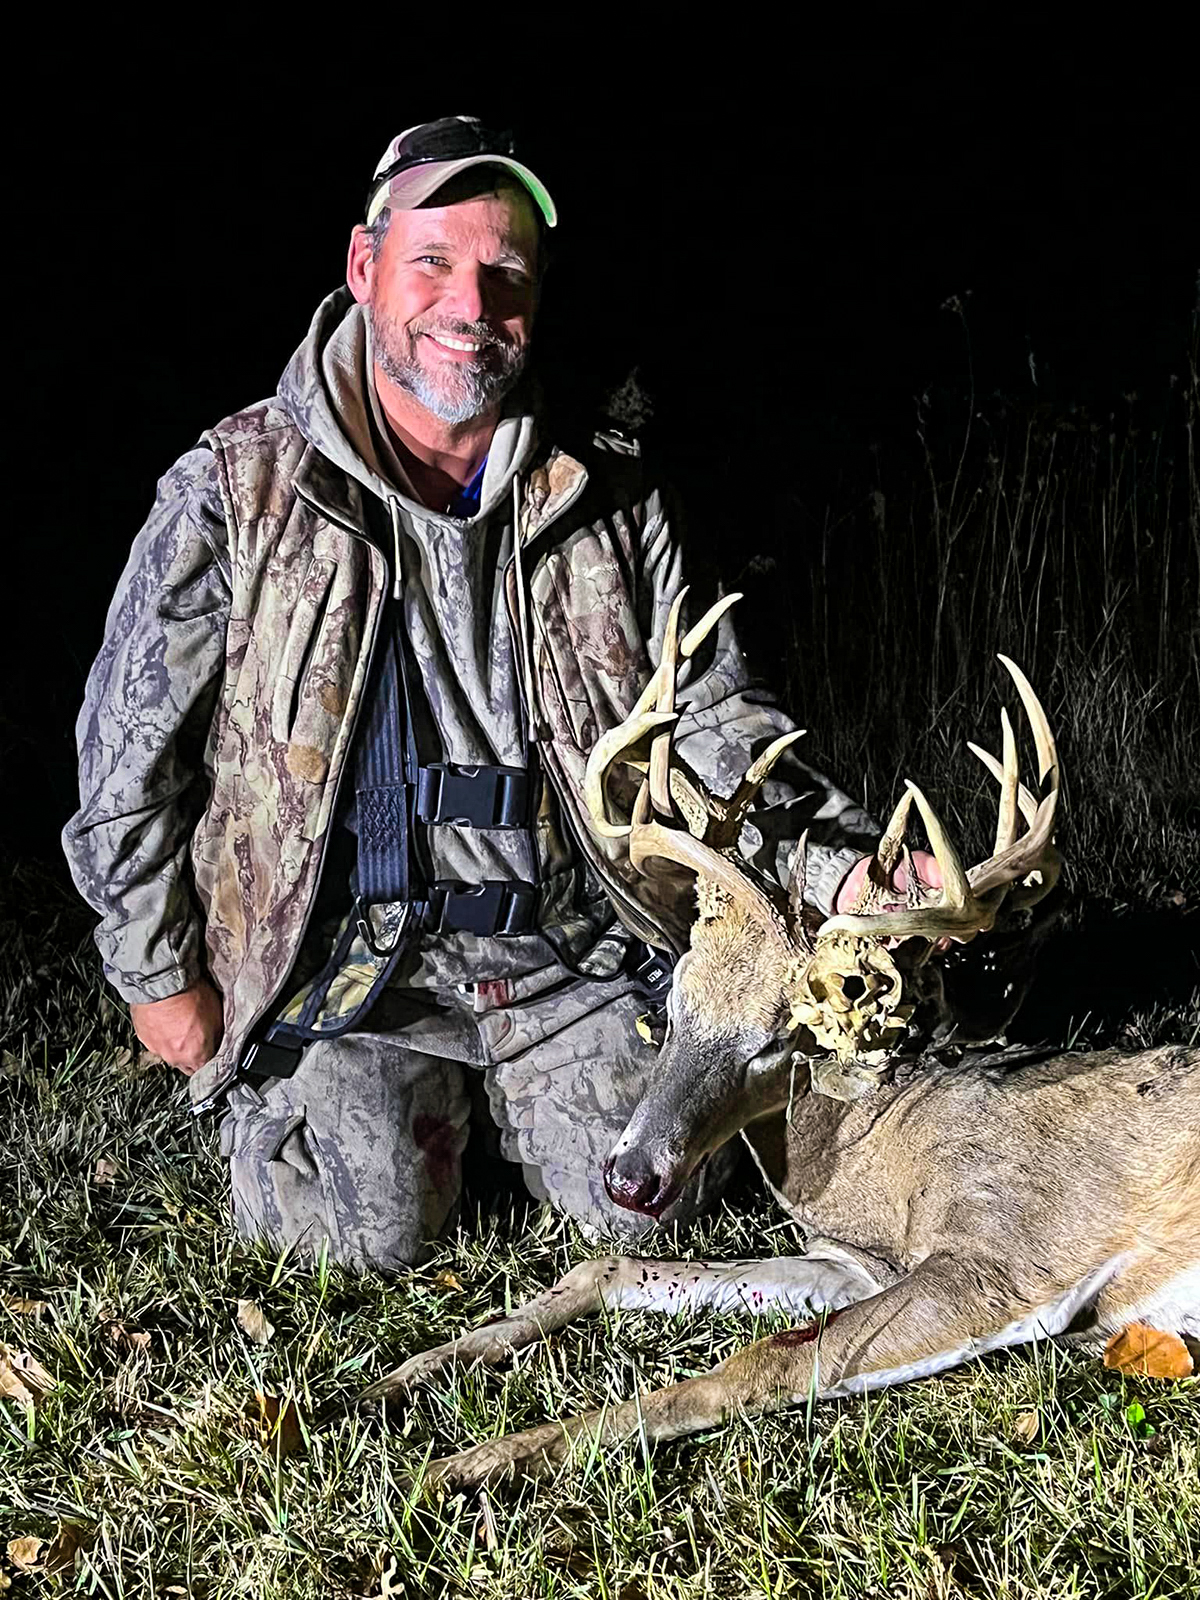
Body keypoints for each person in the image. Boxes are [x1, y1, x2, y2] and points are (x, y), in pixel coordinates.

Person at [64, 117, 914, 1272]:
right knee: (360, 1242)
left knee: (652, 1213)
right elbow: (127, 753)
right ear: (364, 270)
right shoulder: (238, 489)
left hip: (561, 950)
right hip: (352, 970)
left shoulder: (606, 498)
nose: (470, 301)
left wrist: (840, 864)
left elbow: (716, 718)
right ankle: (316, 1113)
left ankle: (523, 1108)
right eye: (433, 263)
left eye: (503, 272)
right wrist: (159, 974)